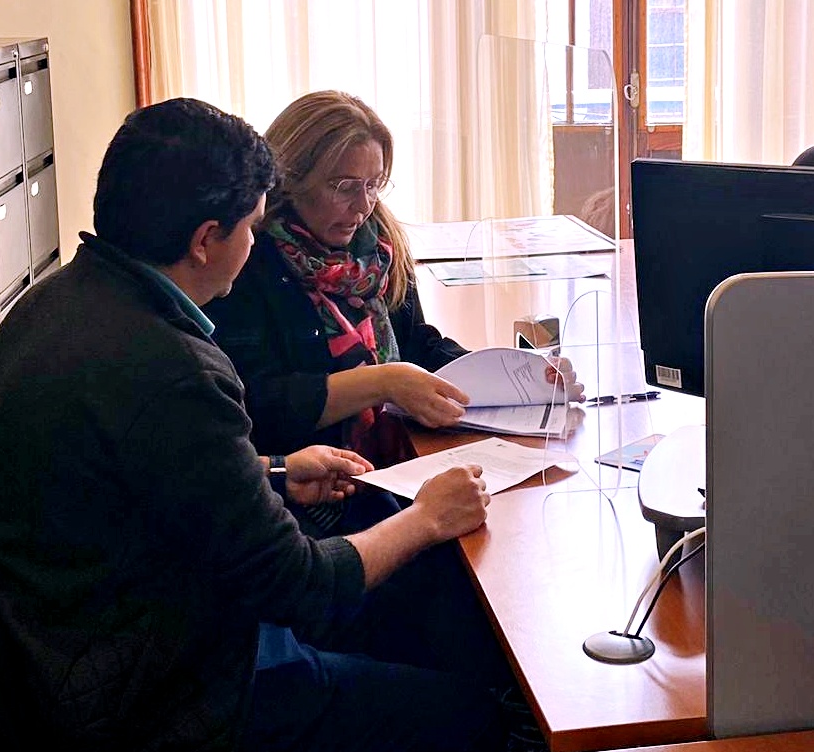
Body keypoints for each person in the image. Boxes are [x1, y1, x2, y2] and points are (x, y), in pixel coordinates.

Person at [0, 97, 508, 752]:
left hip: (85, 652)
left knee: (424, 608)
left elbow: (141, 474)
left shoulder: (61, 300)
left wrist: (272, 472)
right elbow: (301, 588)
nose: (256, 245)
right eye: (251, 227)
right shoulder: (172, 366)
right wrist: (427, 517)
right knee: (466, 719)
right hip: (168, 707)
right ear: (205, 239)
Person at [204, 91, 584, 536]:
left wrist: (519, 377)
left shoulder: (377, 244)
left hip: (394, 469)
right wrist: (382, 382)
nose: (363, 206)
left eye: (374, 185)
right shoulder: (245, 260)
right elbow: (255, 407)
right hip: (313, 500)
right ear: (292, 180)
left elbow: (416, 342)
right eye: (344, 187)